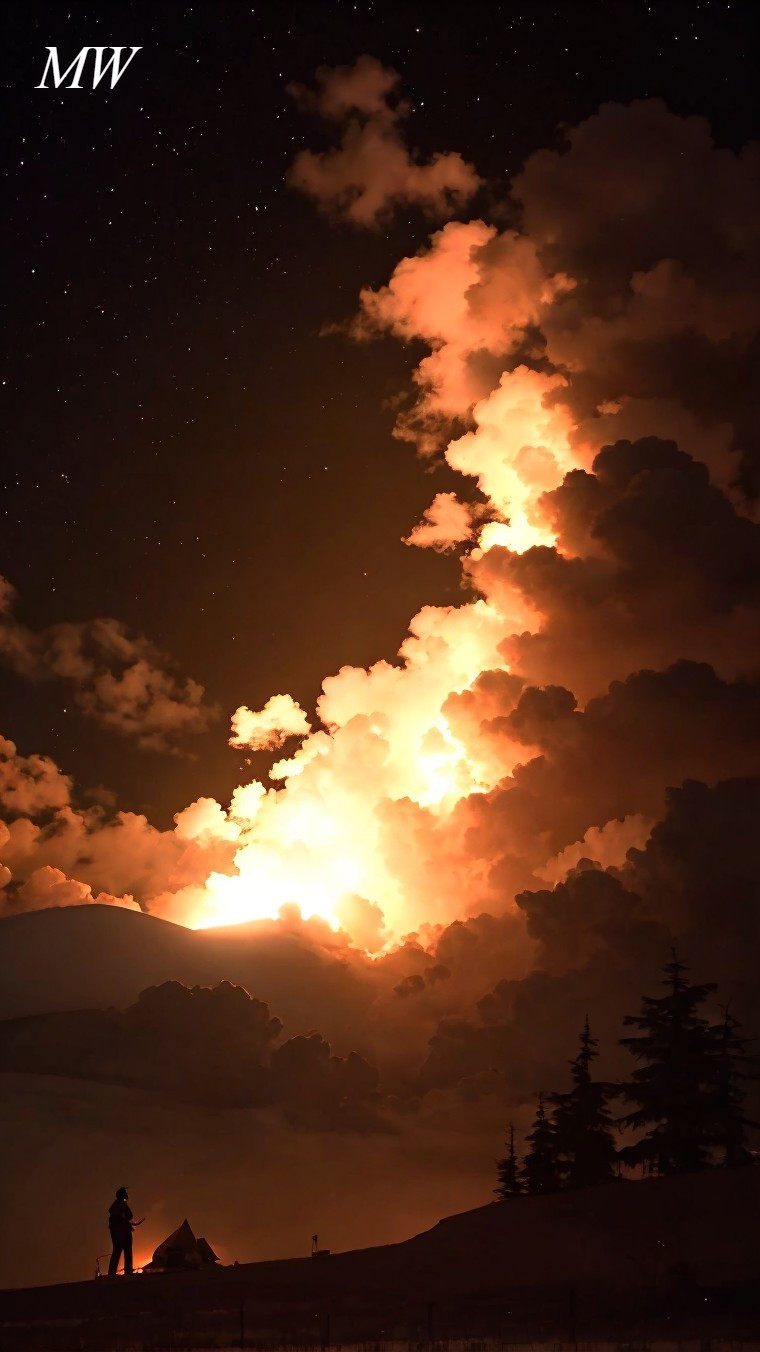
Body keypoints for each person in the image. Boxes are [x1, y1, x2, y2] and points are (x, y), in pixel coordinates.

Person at [108, 1186, 135, 1276]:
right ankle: (127, 1271)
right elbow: (130, 1215)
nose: (127, 1195)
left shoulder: (115, 1206)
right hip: (122, 1233)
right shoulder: (121, 1204)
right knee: (123, 1251)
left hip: (118, 1232)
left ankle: (112, 1272)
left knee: (117, 1251)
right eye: (126, 1194)